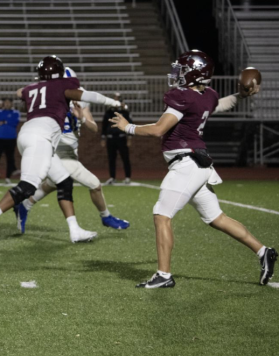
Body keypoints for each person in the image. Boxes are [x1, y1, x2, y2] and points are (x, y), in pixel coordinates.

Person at [109, 50, 277, 288]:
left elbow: (159, 129)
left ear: (195, 73)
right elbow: (220, 105)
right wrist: (241, 95)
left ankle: (164, 276)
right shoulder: (207, 94)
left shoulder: (183, 96)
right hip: (198, 163)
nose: (178, 73)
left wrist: (128, 127)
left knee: (161, 215)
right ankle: (263, 251)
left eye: (183, 69)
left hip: (186, 163)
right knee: (216, 218)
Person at [0, 56, 122, 245]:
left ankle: (75, 230)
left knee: (64, 180)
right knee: (27, 186)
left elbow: (19, 92)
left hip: (29, 133)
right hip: (41, 139)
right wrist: (114, 103)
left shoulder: (34, 88)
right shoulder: (61, 86)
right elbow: (89, 96)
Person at [16, 67, 130, 233]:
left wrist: (81, 117)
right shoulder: (48, 95)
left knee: (53, 183)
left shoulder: (79, 98)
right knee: (95, 185)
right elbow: (22, 94)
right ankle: (106, 216)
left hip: (71, 151)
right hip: (55, 149)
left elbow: (93, 128)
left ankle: (25, 205)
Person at [102, 92, 132, 185]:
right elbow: (104, 125)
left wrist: (129, 138)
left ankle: (127, 177)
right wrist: (103, 137)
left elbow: (129, 123)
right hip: (111, 139)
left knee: (125, 158)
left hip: (121, 138)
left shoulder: (124, 112)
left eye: (117, 99)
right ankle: (112, 177)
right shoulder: (109, 112)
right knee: (111, 159)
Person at [0, 97, 20, 185]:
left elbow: (14, 123)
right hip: (0, 138)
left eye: (8, 102)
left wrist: (5, 122)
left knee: (10, 158)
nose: (6, 104)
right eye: (5, 103)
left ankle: (7, 178)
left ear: (12, 104)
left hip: (11, 138)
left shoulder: (16, 113)